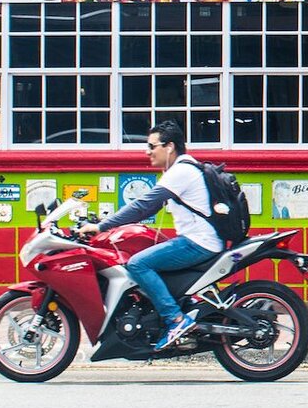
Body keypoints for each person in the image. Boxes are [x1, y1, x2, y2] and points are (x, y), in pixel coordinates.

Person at [78, 120, 223, 349]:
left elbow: (143, 205)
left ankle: (175, 320)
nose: (147, 152)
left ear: (170, 147)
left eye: (152, 146)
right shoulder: (181, 170)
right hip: (199, 240)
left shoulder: (181, 171)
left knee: (138, 264)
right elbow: (149, 208)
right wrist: (107, 222)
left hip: (198, 243)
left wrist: (101, 226)